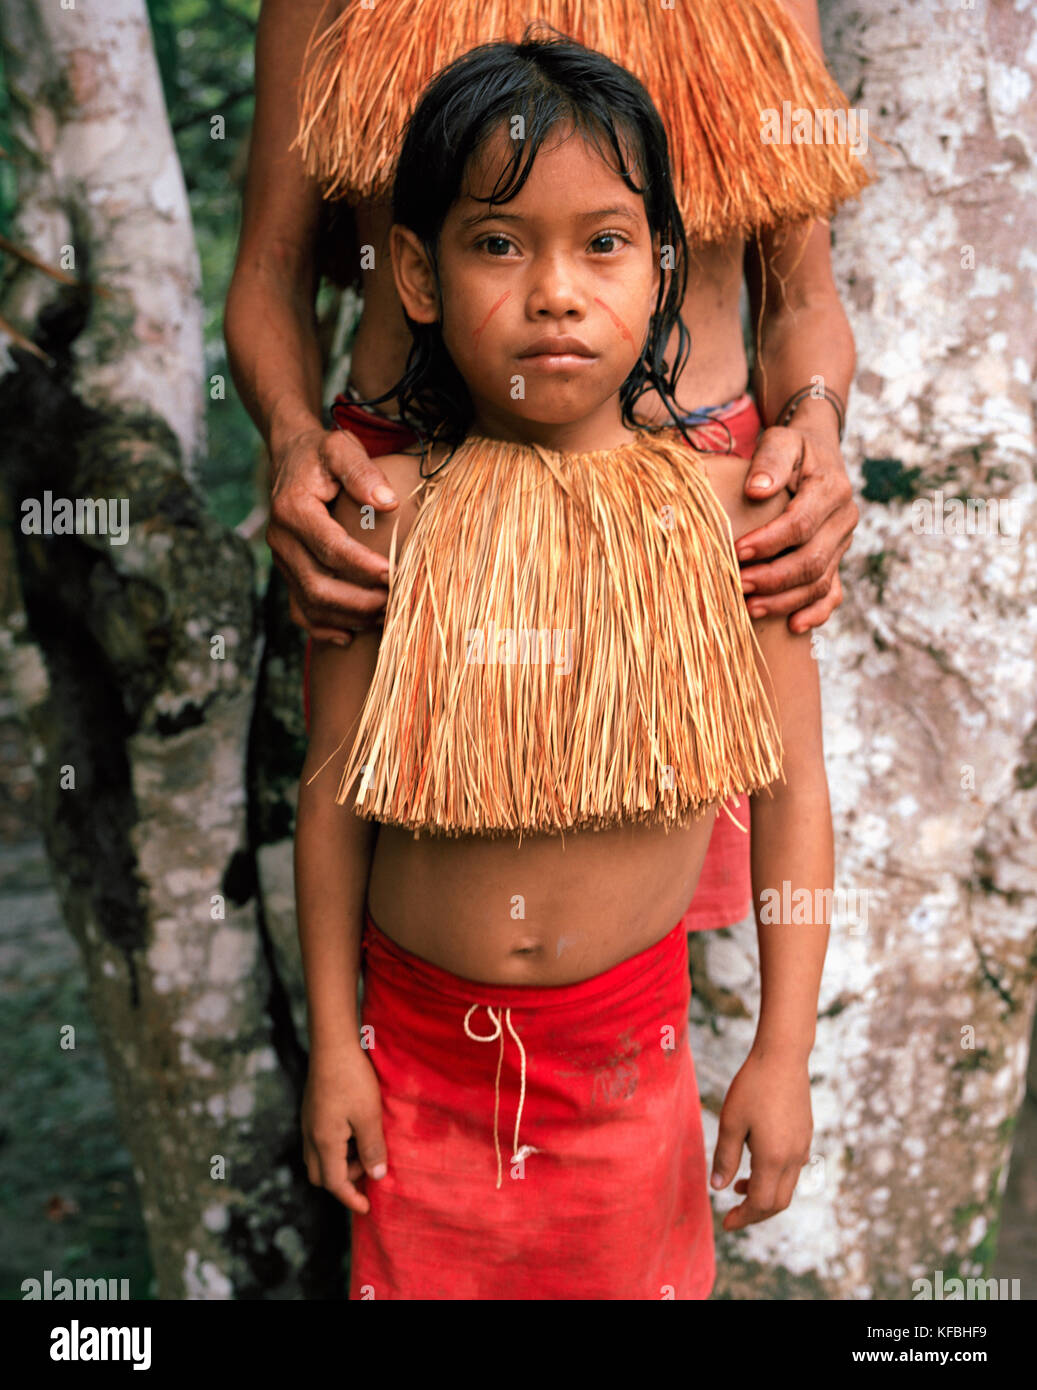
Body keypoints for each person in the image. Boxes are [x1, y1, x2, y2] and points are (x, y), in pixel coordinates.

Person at [293, 33, 833, 1300]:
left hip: (628, 1072)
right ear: (415, 273)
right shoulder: (380, 519)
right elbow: (328, 800)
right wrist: (336, 1045)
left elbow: (793, 791)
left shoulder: (732, 518)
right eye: (497, 243)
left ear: (662, 266)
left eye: (601, 242)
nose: (552, 292)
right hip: (412, 1065)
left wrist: (781, 1052)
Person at [225, 0, 868, 940]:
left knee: (650, 938)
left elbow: (803, 298)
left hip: (703, 526)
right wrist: (289, 440)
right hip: (402, 511)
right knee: (416, 908)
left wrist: (816, 425)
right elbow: (269, 272)